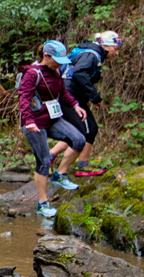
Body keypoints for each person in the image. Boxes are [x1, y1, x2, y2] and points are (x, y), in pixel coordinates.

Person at [18, 41, 87, 218]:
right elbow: (24, 98)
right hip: (34, 124)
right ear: (46, 57)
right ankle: (42, 203)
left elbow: (63, 93)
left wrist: (75, 105)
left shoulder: (56, 72)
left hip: (52, 119)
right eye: (56, 60)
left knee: (78, 139)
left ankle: (60, 174)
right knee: (43, 162)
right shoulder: (32, 74)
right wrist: (28, 121)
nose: (60, 63)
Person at [49, 31, 122, 177]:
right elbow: (79, 73)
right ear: (106, 45)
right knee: (84, 132)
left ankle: (54, 156)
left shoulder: (92, 53)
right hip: (69, 98)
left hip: (74, 98)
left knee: (90, 129)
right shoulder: (92, 55)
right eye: (116, 49)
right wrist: (95, 98)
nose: (117, 53)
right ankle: (64, 171)